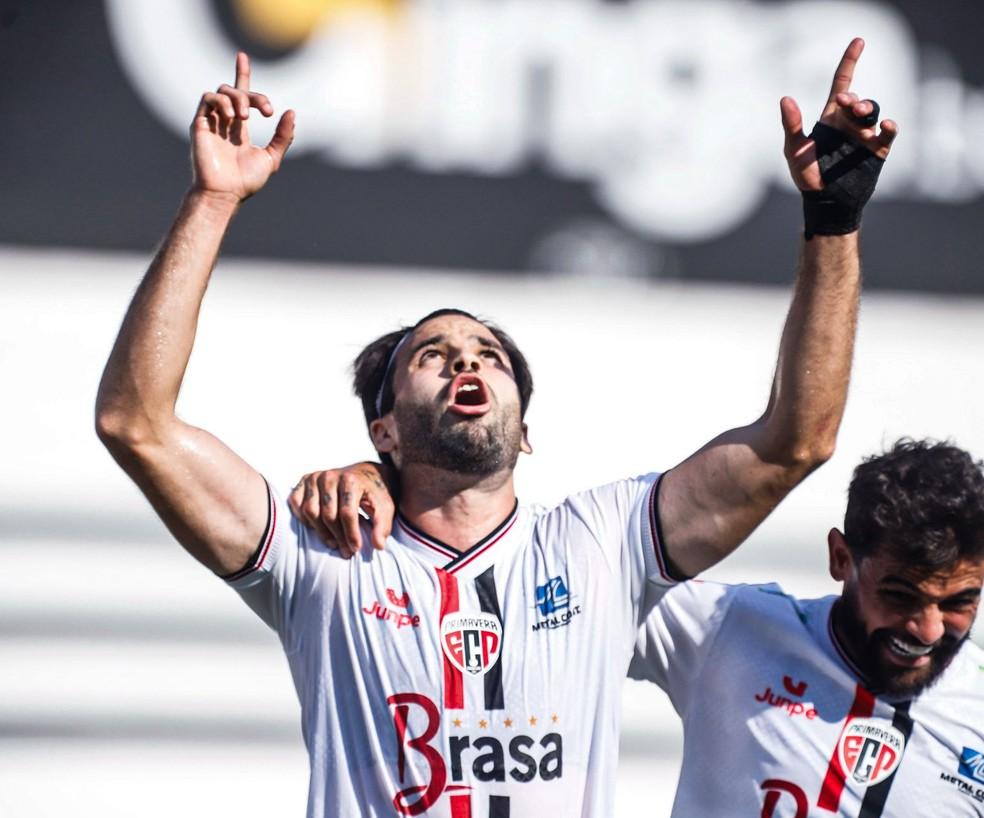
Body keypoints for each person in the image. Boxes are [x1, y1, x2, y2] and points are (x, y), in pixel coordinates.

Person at [95, 40, 896, 817]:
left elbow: (796, 441)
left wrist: (833, 221)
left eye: (488, 355)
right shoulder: (323, 557)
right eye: (432, 355)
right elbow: (136, 424)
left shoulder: (603, 543)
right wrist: (212, 201)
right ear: (386, 433)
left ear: (524, 434)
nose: (464, 363)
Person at [301, 440, 984, 817]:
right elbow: (523, 566)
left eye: (960, 601)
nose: (925, 628)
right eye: (899, 594)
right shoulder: (727, 628)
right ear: (841, 557)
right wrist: (385, 476)